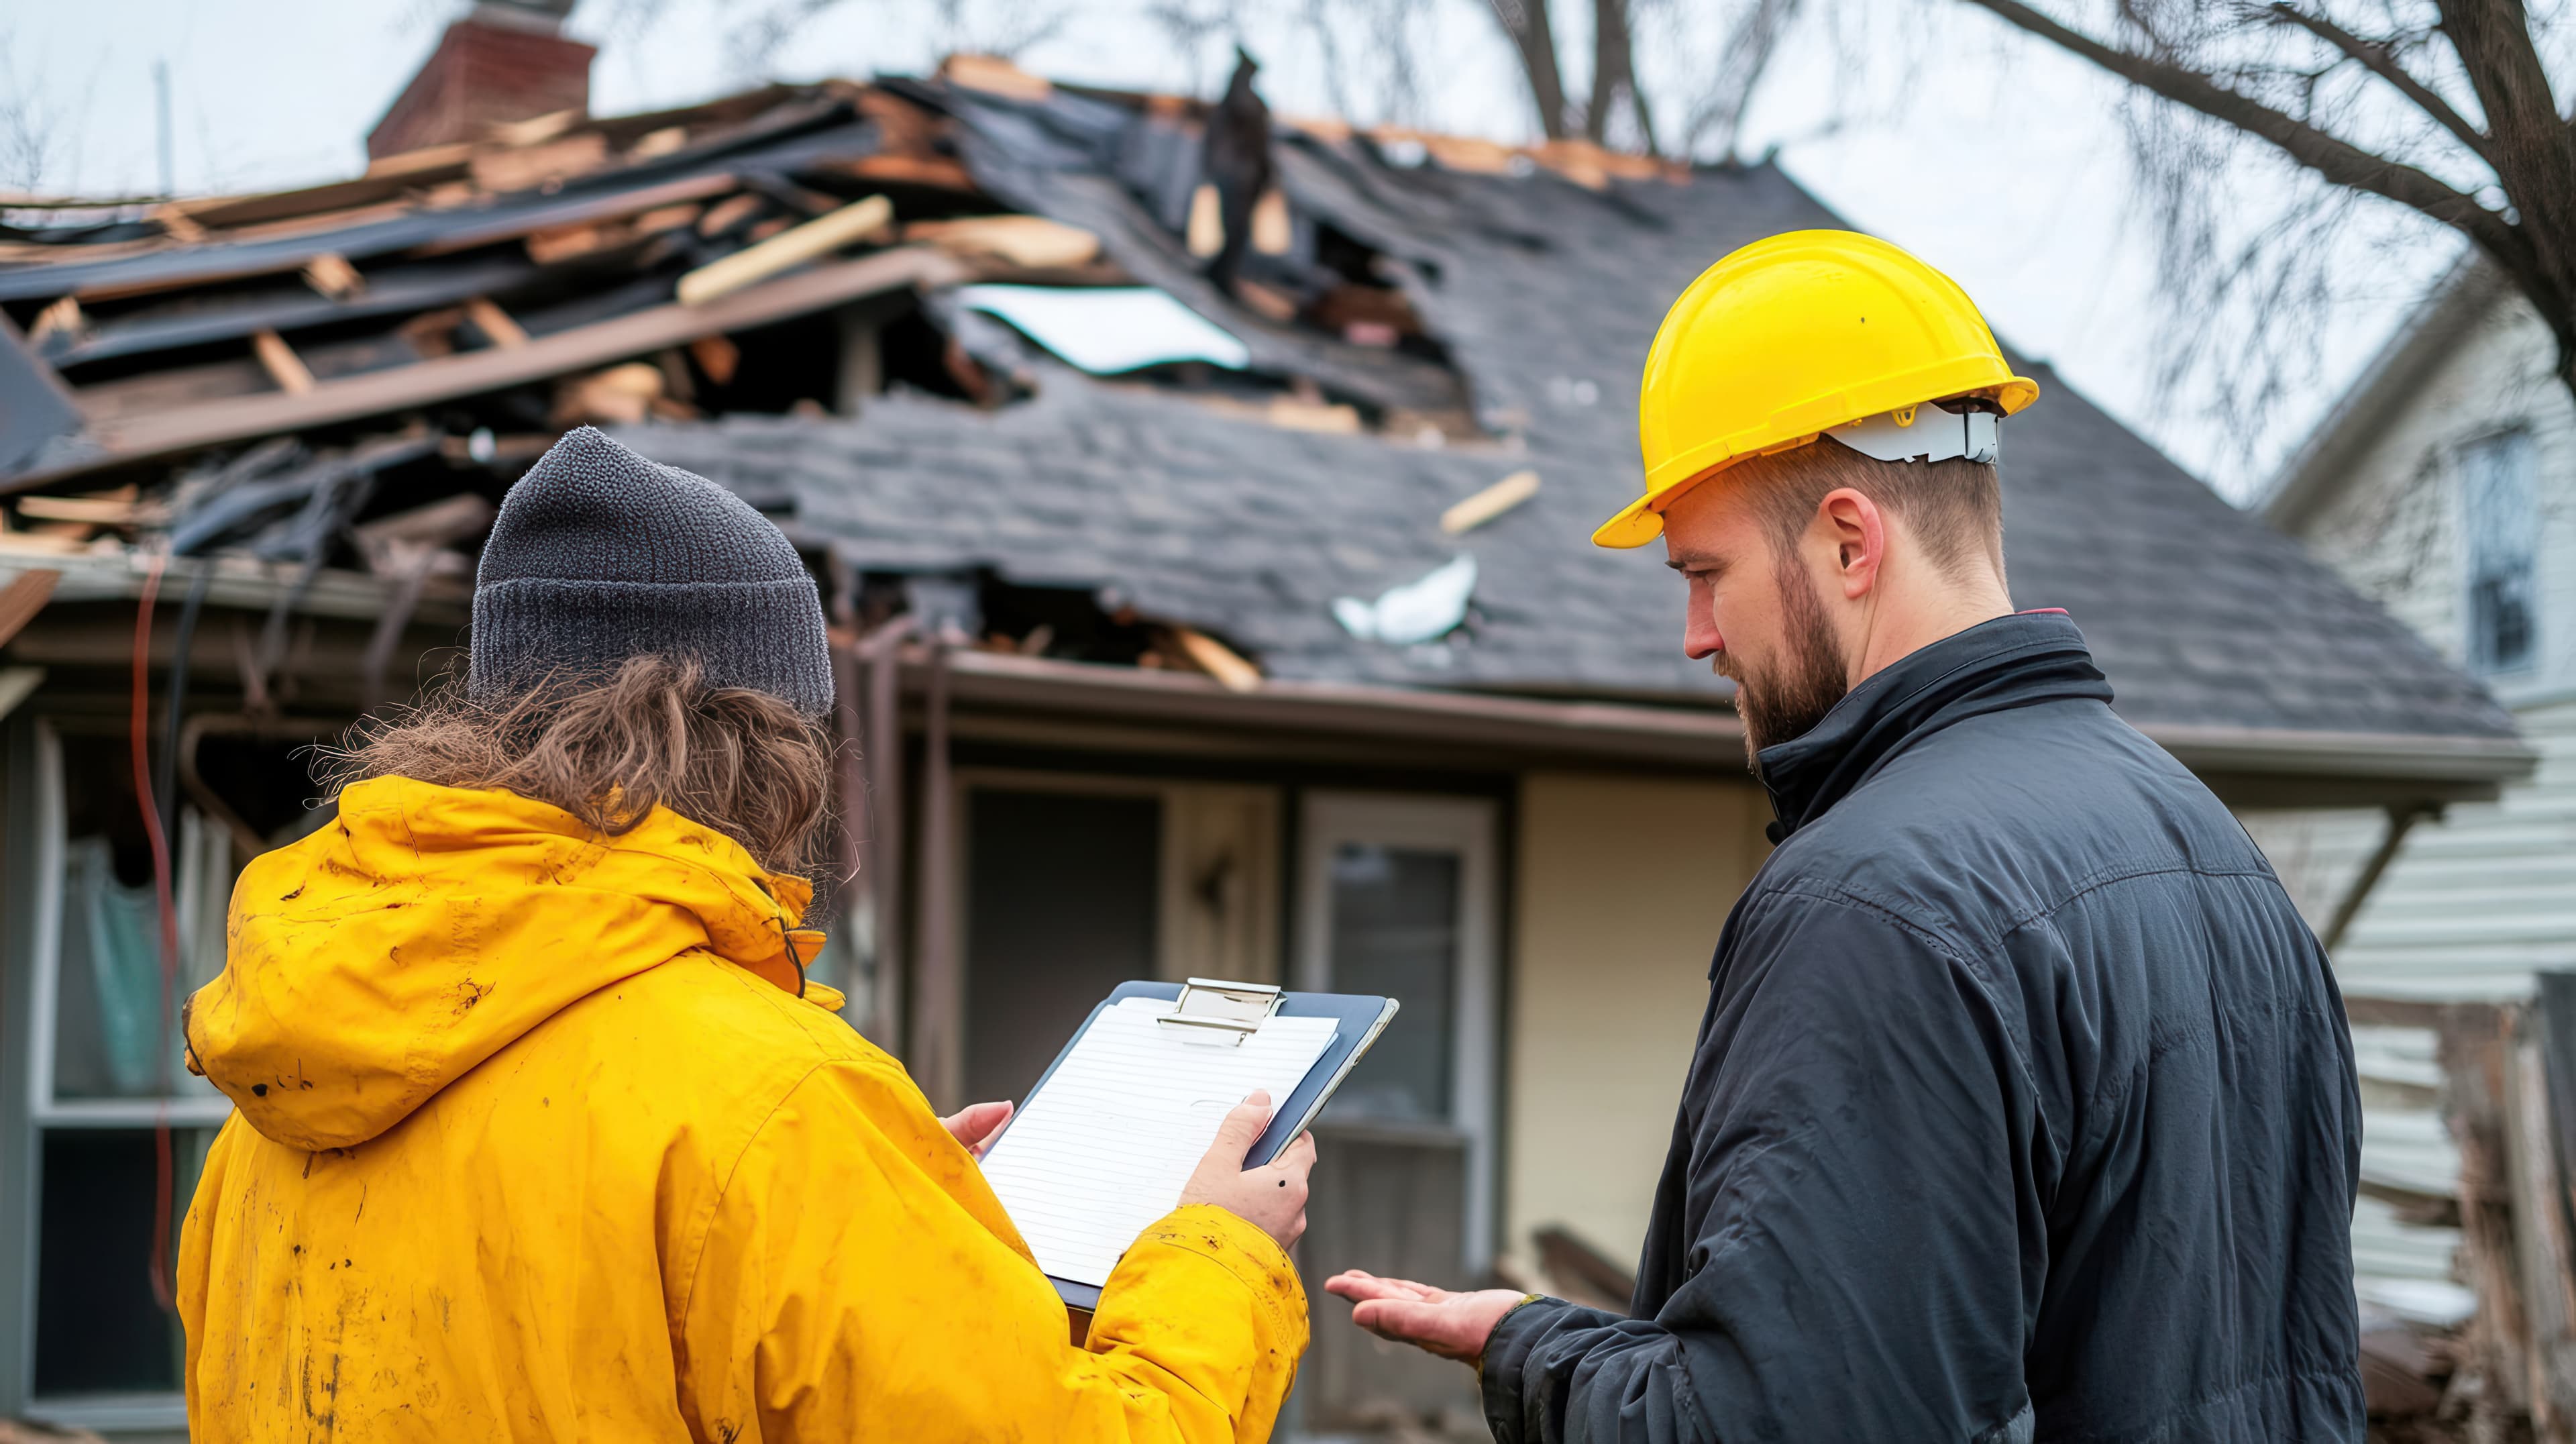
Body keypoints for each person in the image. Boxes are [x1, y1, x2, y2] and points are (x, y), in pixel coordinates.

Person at [1327, 231, 2365, 1441]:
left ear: (1850, 541)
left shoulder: (1872, 906)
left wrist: (1536, 1353)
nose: (1697, 636)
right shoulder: (2218, 857)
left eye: (1705, 572)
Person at [178, 427, 1318, 1442]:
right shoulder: (772, 1109)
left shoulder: (273, 1110)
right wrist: (1217, 1255)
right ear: (766, 740)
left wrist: (883, 1213)